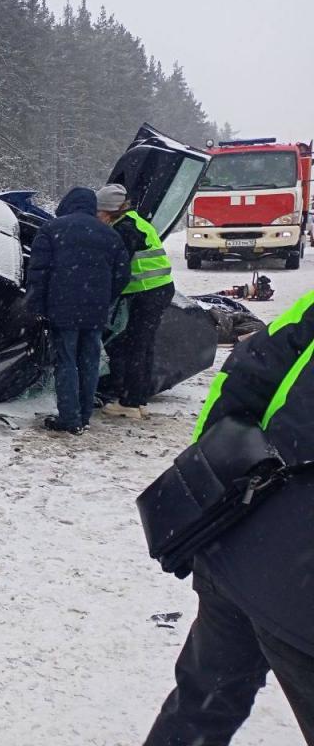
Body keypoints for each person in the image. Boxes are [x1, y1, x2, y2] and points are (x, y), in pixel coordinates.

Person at [143, 289, 314, 746]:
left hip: (240, 547)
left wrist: (207, 504)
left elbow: (239, 384)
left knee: (203, 702)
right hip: (301, 594)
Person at [26, 187, 130, 435]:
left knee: (66, 362)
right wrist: (104, 297)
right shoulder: (110, 235)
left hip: (61, 309)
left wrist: (36, 306)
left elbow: (38, 273)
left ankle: (69, 418)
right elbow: (122, 275)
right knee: (89, 362)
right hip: (95, 312)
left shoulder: (51, 230)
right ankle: (84, 415)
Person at [95, 183, 175, 419]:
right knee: (143, 345)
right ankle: (138, 400)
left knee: (135, 346)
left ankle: (130, 403)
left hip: (147, 292)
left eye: (98, 211)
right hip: (157, 290)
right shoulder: (134, 221)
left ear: (109, 210)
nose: (96, 216)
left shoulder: (125, 230)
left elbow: (118, 267)